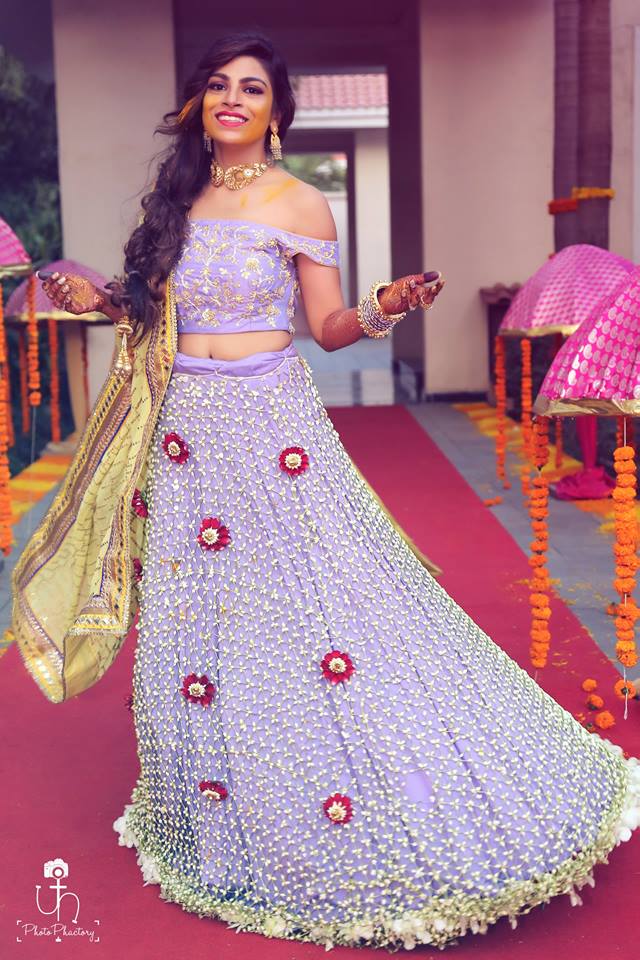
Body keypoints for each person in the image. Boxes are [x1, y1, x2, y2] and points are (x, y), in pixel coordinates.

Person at [12, 31, 640, 954]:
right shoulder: (174, 199)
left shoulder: (301, 201)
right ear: (198, 104)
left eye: (252, 88)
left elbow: (328, 328)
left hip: (270, 425)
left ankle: (356, 767)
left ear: (276, 112)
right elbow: (148, 309)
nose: (232, 98)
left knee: (315, 600)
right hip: (185, 431)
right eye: (219, 85)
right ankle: (227, 798)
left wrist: (388, 305)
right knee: (206, 611)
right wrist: (93, 298)